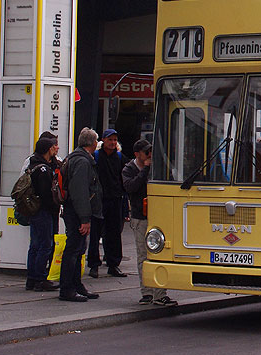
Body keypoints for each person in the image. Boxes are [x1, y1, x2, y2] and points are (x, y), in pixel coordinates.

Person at [122, 139, 177, 306]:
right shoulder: (128, 169)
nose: (150, 155)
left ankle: (160, 293)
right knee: (143, 256)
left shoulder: (157, 166)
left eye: (151, 152)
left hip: (158, 215)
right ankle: (146, 292)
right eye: (146, 152)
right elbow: (131, 187)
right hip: (140, 216)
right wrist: (145, 169)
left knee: (160, 254)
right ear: (137, 154)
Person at [58, 128, 103, 303]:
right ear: (93, 143)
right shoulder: (83, 162)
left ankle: (76, 286)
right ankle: (68, 288)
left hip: (73, 210)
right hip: (76, 213)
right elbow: (80, 192)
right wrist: (85, 218)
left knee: (77, 250)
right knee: (74, 250)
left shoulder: (74, 158)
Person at [87, 128, 127, 278]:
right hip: (98, 200)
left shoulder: (119, 157)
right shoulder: (95, 157)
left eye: (115, 140)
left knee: (114, 233)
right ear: (103, 140)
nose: (113, 142)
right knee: (95, 233)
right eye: (110, 139)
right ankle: (94, 265)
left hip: (115, 199)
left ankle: (113, 264)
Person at [24, 136, 60, 292]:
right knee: (45, 245)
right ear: (48, 149)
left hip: (34, 211)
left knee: (35, 245)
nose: (55, 149)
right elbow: (46, 195)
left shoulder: (32, 165)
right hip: (43, 211)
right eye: (53, 147)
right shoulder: (44, 170)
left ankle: (31, 278)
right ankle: (40, 278)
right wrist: (56, 205)